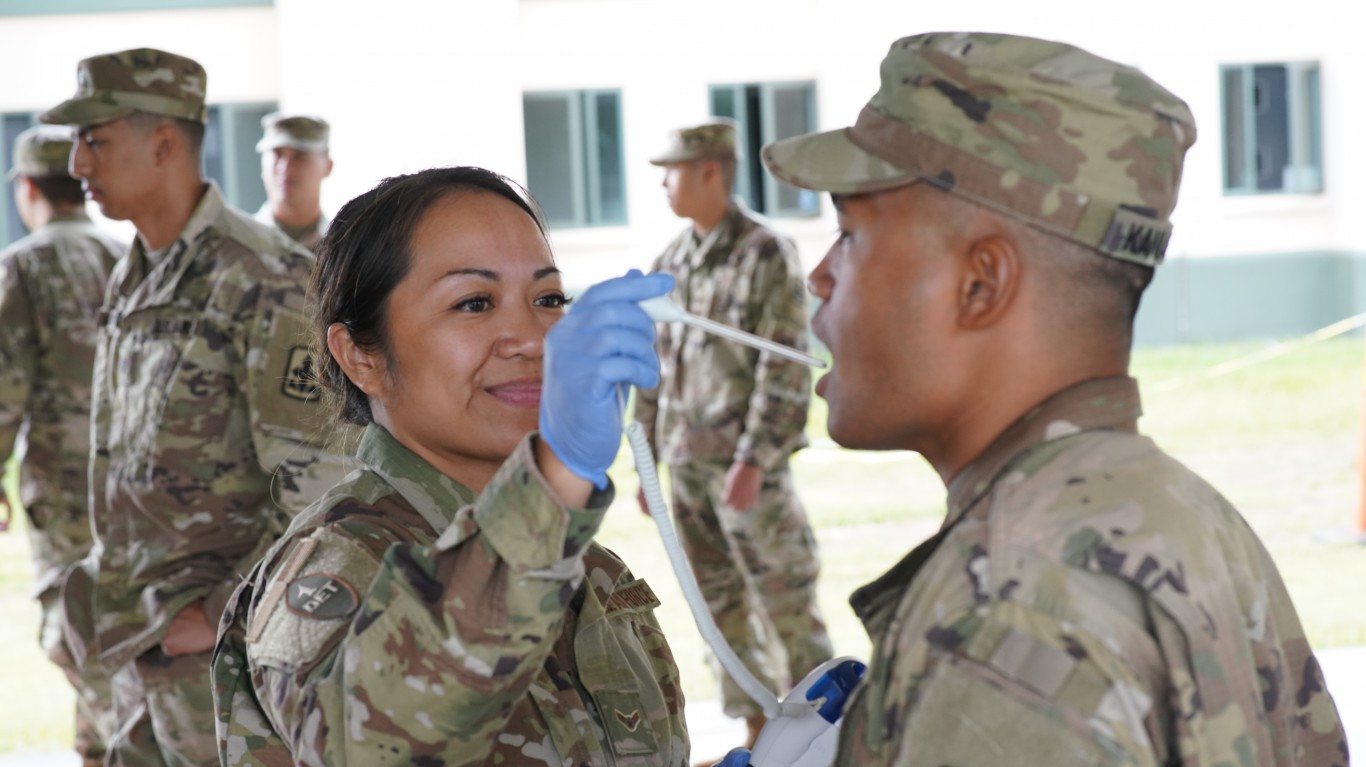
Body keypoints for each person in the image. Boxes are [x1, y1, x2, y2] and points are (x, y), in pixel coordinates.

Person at [750, 31, 1349, 765]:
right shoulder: (1186, 514)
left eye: (848, 233)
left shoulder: (1009, 612)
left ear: (982, 284)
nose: (819, 277)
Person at [212, 166, 690, 766]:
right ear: (361, 356)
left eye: (548, 299)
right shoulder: (336, 562)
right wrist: (556, 475)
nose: (530, 337)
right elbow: (374, 749)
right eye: (474, 303)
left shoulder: (579, 559)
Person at [38, 47, 352, 765]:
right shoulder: (137, 269)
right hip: (140, 647)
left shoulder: (261, 276)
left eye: (94, 140)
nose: (77, 164)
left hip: (221, 662)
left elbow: (320, 481)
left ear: (163, 142)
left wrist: (217, 611)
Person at [635, 118, 832, 744]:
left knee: (785, 603)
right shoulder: (670, 262)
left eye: (672, 171)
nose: (664, 184)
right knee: (718, 610)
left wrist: (755, 458)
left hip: (748, 471)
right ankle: (757, 736)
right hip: (686, 469)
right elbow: (651, 368)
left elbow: (782, 362)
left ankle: (828, 736)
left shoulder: (764, 253)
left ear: (712, 172)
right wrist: (647, 462)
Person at [0, 123, 123, 767]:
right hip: (137, 487)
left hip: (65, 491)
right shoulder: (127, 255)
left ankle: (127, 748)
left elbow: (3, 389)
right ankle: (99, 751)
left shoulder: (23, 266)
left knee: (72, 632)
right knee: (113, 623)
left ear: (27, 189)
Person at [254, 112, 332, 252]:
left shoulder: (341, 246)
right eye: (277, 154)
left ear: (327, 166)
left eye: (300, 156)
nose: (285, 169)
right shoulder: (241, 242)